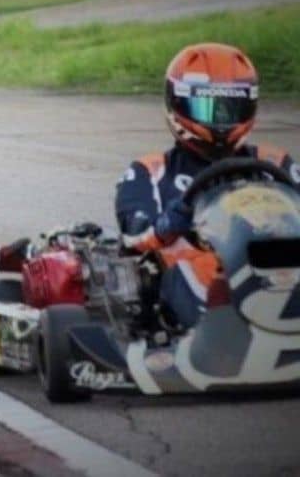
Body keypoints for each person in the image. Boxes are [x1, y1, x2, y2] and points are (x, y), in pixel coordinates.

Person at [115, 43, 300, 330]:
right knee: (188, 268)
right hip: (204, 271)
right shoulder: (149, 171)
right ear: (178, 104)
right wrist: (167, 224)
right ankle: (216, 339)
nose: (220, 122)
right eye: (208, 107)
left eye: (230, 109)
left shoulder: (274, 162)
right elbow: (134, 235)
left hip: (274, 264)